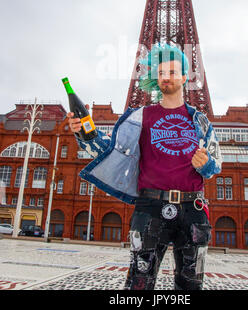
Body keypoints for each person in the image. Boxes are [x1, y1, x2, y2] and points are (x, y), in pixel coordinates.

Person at [67, 43, 222, 290]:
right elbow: (111, 150)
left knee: (191, 285)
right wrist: (85, 134)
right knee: (139, 284)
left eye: (172, 72)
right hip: (150, 207)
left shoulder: (199, 120)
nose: (165, 78)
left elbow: (216, 166)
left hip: (192, 208)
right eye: (160, 73)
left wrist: (206, 164)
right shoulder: (140, 117)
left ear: (184, 76)